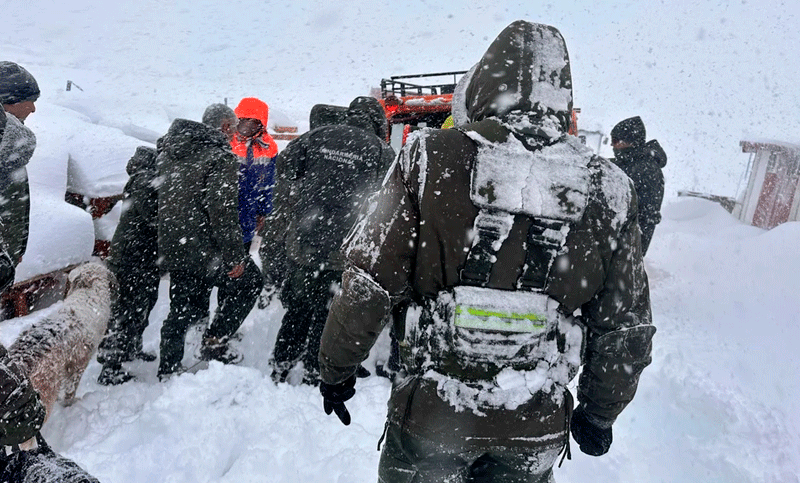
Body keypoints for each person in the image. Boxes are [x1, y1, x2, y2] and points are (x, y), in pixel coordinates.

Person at [317, 20, 656, 482]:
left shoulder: (427, 157)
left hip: (431, 413)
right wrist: (600, 412)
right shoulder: (611, 188)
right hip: (533, 422)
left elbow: (368, 283)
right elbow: (626, 326)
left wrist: (337, 367)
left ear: (482, 85)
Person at [261, 96, 395, 386]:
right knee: (329, 311)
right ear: (376, 122)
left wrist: (310, 197)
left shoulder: (315, 136)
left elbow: (284, 168)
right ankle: (315, 368)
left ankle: (281, 364)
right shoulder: (381, 151)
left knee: (298, 308)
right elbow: (388, 201)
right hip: (343, 248)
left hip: (304, 243)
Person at [155, 117, 262, 380]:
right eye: (234, 127)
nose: (235, 133)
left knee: (181, 305)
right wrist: (235, 256)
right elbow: (222, 210)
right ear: (224, 127)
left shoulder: (169, 153)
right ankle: (215, 340)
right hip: (206, 249)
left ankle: (168, 367)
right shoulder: (218, 158)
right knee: (250, 281)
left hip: (175, 244)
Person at [96, 145, 160, 385]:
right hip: (131, 258)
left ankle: (132, 347)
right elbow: (153, 217)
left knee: (142, 305)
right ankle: (110, 366)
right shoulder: (144, 180)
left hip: (144, 257)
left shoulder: (147, 178)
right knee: (124, 311)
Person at [0, 61, 39, 268]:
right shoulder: (9, 144)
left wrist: (15, 249)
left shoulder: (11, 144)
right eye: (29, 101)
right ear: (8, 101)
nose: (33, 109)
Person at [610, 116, 667, 255]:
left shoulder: (647, 170)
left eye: (615, 141)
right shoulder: (629, 163)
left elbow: (647, 217)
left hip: (625, 246)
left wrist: (633, 252)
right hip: (617, 240)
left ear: (630, 142)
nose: (612, 145)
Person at [229, 98, 278, 250]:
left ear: (261, 125)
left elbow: (269, 184)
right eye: (244, 121)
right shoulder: (227, 141)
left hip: (250, 213)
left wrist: (263, 212)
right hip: (227, 208)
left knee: (243, 254)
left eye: (254, 122)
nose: (247, 127)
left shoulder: (268, 147)